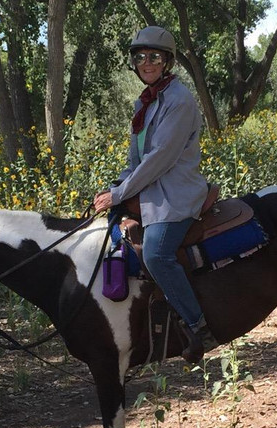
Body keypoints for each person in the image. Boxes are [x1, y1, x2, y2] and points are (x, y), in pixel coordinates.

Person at [93, 25, 218, 364]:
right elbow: (136, 159)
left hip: (174, 193)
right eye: (140, 57)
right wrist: (115, 186)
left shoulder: (178, 101)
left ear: (167, 61)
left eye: (154, 56)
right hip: (149, 188)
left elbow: (159, 159)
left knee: (157, 252)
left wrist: (121, 194)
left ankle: (199, 325)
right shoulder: (145, 102)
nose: (146, 62)